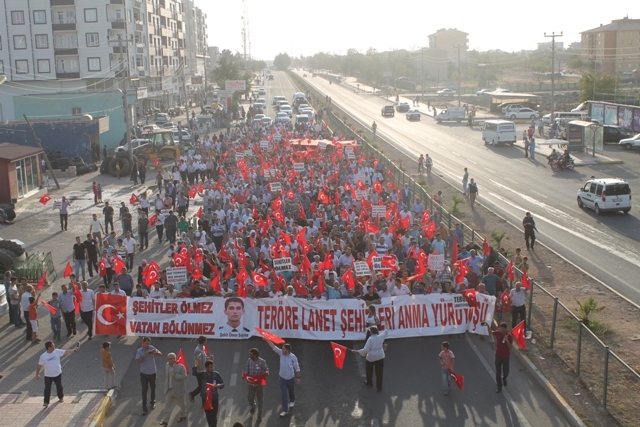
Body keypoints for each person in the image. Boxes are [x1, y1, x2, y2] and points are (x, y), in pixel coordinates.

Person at [264, 337, 301, 417]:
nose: (282, 349)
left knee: (291, 391)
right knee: (284, 394)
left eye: (283, 348)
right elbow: (273, 347)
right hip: (282, 378)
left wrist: (298, 377)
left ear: (287, 350)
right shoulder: (281, 353)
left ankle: (292, 400)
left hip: (290, 378)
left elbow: (297, 367)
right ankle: (285, 410)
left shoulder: (293, 357)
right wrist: (267, 340)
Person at [35, 341, 79, 408]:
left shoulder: (57, 351)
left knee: (59, 386)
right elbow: (39, 366)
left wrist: (74, 350)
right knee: (47, 388)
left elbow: (66, 352)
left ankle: (61, 397)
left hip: (57, 374)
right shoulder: (43, 356)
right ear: (49, 347)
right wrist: (37, 374)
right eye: (53, 346)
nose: (54, 347)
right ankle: (46, 402)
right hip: (48, 375)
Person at [351, 318, 388, 391]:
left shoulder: (370, 339)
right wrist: (386, 322)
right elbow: (386, 331)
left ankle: (369, 382)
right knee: (379, 373)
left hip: (371, 358)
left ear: (371, 332)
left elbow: (366, 349)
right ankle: (379, 387)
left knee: (369, 371)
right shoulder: (380, 337)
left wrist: (357, 351)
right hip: (380, 356)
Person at [159, 353, 187, 426]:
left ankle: (183, 415)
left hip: (178, 390)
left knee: (182, 404)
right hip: (169, 389)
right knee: (167, 406)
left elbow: (184, 376)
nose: (168, 360)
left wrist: (175, 376)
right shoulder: (167, 365)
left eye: (170, 359)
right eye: (168, 358)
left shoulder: (181, 367)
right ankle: (165, 420)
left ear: (175, 359)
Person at [484, 321, 513, 393]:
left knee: (506, 371)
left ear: (506, 329)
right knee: (498, 372)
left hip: (506, 356)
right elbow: (491, 332)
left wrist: (506, 340)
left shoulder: (509, 336)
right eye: (500, 328)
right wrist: (487, 326)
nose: (501, 330)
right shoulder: (498, 333)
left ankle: (504, 378)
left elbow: (510, 347)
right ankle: (499, 386)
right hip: (498, 355)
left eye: (503, 328)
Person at [136, 337, 162, 416]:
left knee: (153, 388)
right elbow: (138, 361)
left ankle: (153, 402)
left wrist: (156, 353)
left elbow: (160, 354)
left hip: (152, 372)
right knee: (144, 390)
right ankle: (144, 407)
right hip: (144, 373)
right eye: (146, 343)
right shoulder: (139, 351)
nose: (148, 345)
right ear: (143, 343)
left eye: (149, 343)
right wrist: (145, 355)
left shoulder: (151, 348)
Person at [195, 360, 225, 427]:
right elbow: (194, 373)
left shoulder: (216, 374)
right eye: (210, 367)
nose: (212, 368)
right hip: (205, 398)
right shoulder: (202, 374)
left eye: (213, 367)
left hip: (214, 398)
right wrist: (196, 364)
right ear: (206, 368)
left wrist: (219, 385)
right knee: (208, 415)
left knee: (213, 416)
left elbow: (223, 384)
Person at [244, 348, 269, 422]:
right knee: (249, 398)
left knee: (260, 401)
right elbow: (247, 370)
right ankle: (253, 406)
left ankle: (259, 416)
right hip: (251, 384)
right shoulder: (249, 361)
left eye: (251, 354)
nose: (249, 355)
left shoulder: (262, 362)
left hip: (259, 385)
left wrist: (266, 373)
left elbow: (266, 369)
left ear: (255, 355)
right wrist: (245, 375)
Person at [189, 335, 213, 403]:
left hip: (202, 370)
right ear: (204, 341)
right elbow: (199, 362)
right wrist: (202, 371)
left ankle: (192, 394)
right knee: (202, 386)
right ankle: (193, 395)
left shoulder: (202, 348)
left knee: (202, 386)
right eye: (206, 340)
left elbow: (204, 358)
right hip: (199, 371)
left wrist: (209, 358)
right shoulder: (198, 350)